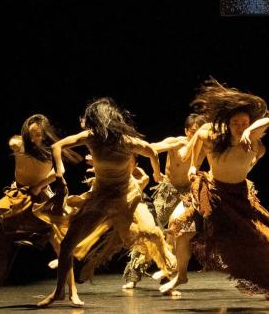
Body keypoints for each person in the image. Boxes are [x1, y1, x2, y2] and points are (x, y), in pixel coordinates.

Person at [166, 79, 269, 310]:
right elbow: (199, 136)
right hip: (214, 194)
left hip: (240, 197)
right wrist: (193, 165)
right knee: (178, 224)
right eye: (236, 123)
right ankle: (179, 274)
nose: (239, 127)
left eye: (245, 123)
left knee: (266, 241)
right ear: (227, 124)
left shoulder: (255, 143)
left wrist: (250, 130)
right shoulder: (213, 137)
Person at [37, 97, 176, 307]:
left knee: (136, 235)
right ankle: (59, 292)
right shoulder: (92, 137)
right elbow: (58, 146)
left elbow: (152, 151)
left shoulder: (127, 141)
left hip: (124, 194)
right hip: (101, 194)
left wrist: (156, 173)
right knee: (67, 244)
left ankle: (161, 249)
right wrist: (58, 170)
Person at [0, 114, 82, 303]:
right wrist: (18, 144)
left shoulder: (51, 149)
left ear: (45, 133)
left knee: (61, 245)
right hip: (18, 195)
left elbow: (58, 172)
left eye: (38, 135)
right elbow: (13, 142)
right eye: (31, 135)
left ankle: (72, 291)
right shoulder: (22, 146)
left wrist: (40, 185)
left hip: (40, 198)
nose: (34, 139)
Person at [121, 112, 205, 289]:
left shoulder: (204, 147)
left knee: (176, 235)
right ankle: (133, 274)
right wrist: (156, 171)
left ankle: (169, 276)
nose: (194, 136)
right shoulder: (176, 142)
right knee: (150, 231)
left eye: (198, 132)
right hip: (168, 192)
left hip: (188, 194)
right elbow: (152, 149)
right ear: (186, 131)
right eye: (191, 132)